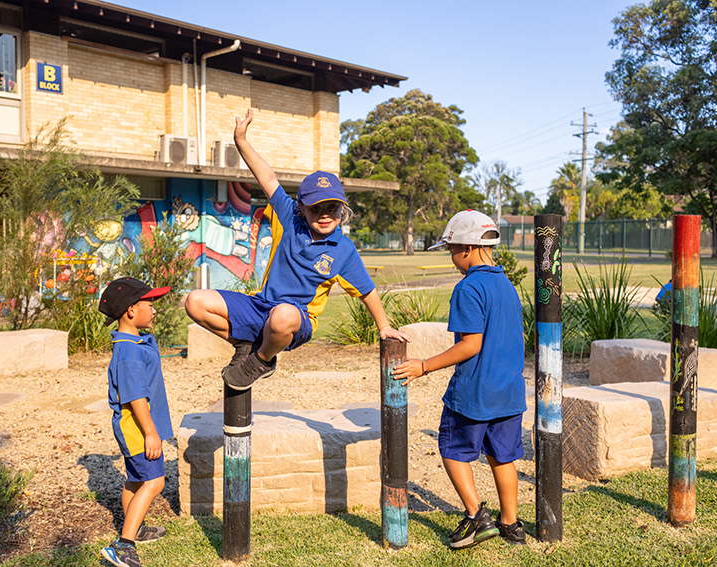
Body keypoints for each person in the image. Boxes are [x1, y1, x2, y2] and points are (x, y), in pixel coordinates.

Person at [185, 109, 409, 390]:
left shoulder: (343, 249)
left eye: (332, 207)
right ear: (301, 208)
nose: (325, 214)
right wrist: (241, 140)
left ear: (343, 208)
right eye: (316, 208)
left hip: (297, 320)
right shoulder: (289, 218)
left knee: (283, 315)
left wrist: (383, 326)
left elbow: (368, 291)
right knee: (195, 301)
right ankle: (246, 343)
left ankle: (262, 361)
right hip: (260, 306)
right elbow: (266, 177)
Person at [391, 210, 527, 549]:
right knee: (502, 456)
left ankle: (475, 515)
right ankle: (511, 524)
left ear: (467, 248)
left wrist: (423, 366)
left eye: (452, 250)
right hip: (509, 391)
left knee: (452, 448)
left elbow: (471, 344)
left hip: (475, 392)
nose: (452, 259)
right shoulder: (506, 284)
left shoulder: (468, 288)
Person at [98, 277, 173, 567]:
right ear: (131, 310)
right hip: (137, 428)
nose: (154, 310)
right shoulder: (128, 352)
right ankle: (123, 546)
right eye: (149, 304)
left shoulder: (133, 342)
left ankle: (136, 528)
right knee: (154, 481)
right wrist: (151, 434)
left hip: (134, 428)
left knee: (134, 479)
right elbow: (136, 398)